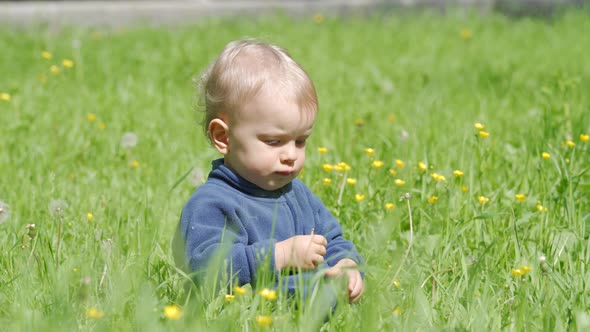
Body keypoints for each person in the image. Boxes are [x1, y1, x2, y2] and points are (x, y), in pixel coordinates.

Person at [174, 38, 364, 303]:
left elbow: (331, 239)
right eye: (274, 142)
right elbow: (204, 269)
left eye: (300, 141)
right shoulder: (213, 204)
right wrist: (278, 256)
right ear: (223, 137)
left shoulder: (297, 194)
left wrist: (345, 263)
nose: (290, 155)